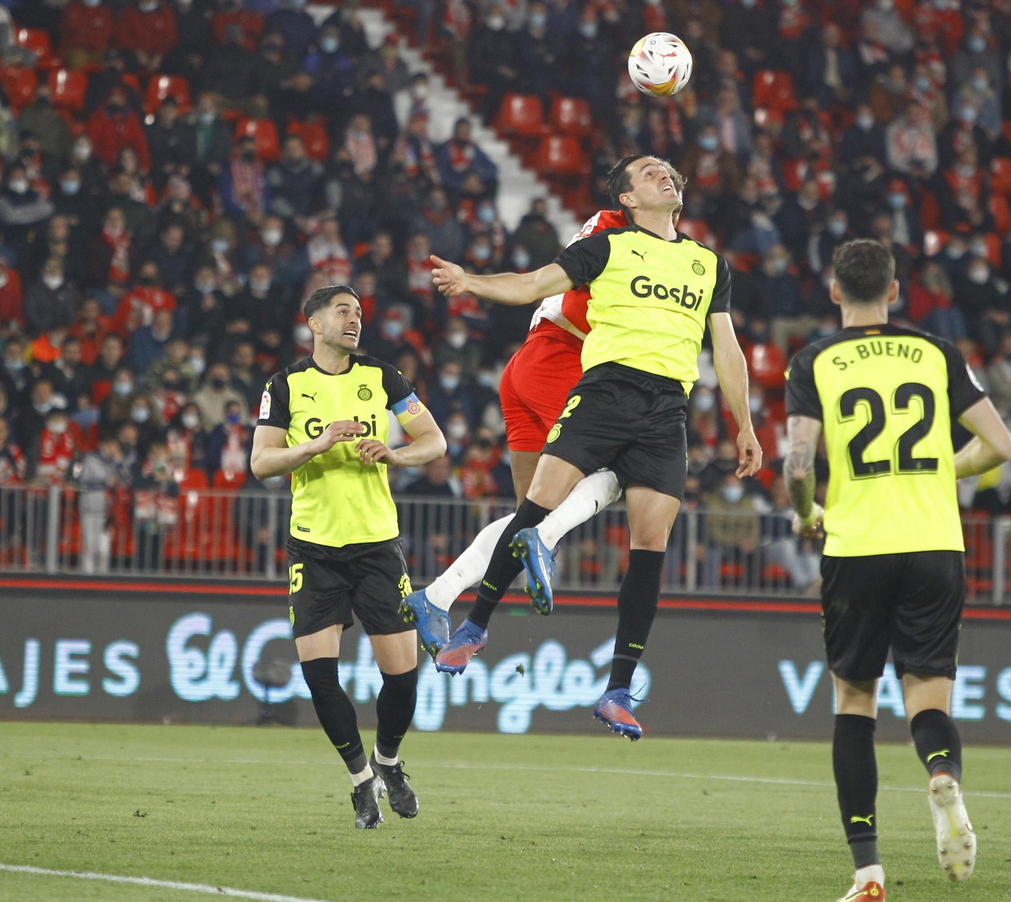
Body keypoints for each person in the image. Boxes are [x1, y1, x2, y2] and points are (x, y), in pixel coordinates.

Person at [429, 156, 763, 738]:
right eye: (651, 172)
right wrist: (471, 281)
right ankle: (475, 626)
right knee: (535, 508)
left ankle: (617, 690)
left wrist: (745, 423)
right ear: (628, 199)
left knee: (650, 546)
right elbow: (534, 284)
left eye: (669, 169)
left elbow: (727, 350)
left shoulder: (708, 263)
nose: (667, 174)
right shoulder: (609, 246)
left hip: (666, 415)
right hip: (604, 394)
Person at [781, 239, 1011, 900]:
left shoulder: (814, 359)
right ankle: (942, 774)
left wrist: (807, 512)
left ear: (834, 291)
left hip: (857, 546)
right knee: (928, 697)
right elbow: (1000, 444)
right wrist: (946, 466)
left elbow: (799, 465)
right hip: (935, 543)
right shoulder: (936, 352)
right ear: (894, 290)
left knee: (854, 701)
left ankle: (869, 871)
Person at [249, 285, 446, 828]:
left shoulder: (383, 378)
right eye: (343, 311)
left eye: (359, 312)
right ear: (313, 323)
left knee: (402, 677)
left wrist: (396, 454)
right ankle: (362, 781)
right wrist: (313, 446)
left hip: (377, 545)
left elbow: (436, 442)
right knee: (319, 678)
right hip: (313, 549)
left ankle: (388, 762)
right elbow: (261, 463)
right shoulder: (285, 385)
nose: (354, 319)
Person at [398, 204, 631, 656]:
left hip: (529, 360)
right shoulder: (617, 230)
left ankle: (436, 596)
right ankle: (546, 542)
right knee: (623, 471)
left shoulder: (609, 232)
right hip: (563, 358)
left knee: (530, 511)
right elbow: (533, 284)